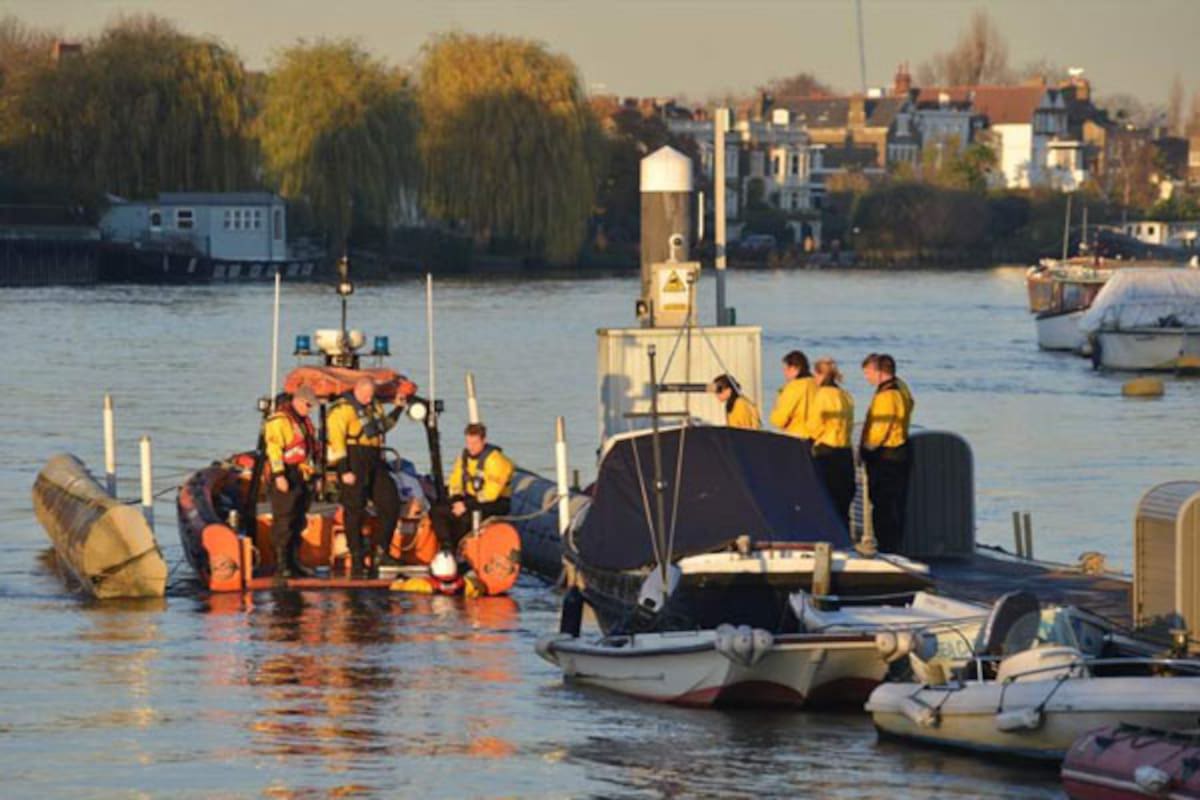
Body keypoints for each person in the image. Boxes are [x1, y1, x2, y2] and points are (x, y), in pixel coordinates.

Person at [327, 377, 405, 578]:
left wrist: (398, 409)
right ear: (357, 390)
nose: (369, 399)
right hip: (353, 457)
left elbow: (382, 426)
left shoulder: (374, 406)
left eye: (372, 395)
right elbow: (337, 442)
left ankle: (381, 551)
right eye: (366, 395)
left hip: (374, 457)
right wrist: (344, 470)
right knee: (354, 509)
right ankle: (357, 557)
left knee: (390, 502)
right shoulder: (342, 410)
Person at [859, 353, 916, 553]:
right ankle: (895, 544)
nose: (867, 377)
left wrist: (866, 449)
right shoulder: (901, 387)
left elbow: (880, 430)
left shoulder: (886, 396)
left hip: (886, 456)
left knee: (883, 504)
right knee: (897, 503)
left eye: (868, 373)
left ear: (879, 372)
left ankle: (887, 547)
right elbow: (911, 403)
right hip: (901, 450)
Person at [431, 423, 515, 553]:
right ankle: (446, 548)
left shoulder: (497, 461)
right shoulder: (463, 458)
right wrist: (456, 500)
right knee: (437, 511)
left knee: (465, 517)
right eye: (468, 443)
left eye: (475, 443)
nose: (471, 447)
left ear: (483, 440)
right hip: (469, 499)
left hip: (494, 503)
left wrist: (466, 505)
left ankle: (464, 550)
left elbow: (490, 494)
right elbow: (455, 482)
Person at [263, 385, 319, 579]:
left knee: (298, 519)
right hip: (285, 472)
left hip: (301, 473)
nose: (310, 410)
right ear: (298, 401)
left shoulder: (303, 421)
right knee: (284, 519)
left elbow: (310, 448)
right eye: (308, 405)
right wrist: (279, 475)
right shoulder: (280, 421)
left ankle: (294, 561)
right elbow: (274, 449)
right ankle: (282, 564)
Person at [810, 358, 855, 530]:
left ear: (820, 375)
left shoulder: (822, 395)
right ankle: (844, 535)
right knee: (843, 501)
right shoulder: (845, 395)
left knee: (826, 499)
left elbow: (814, 426)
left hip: (826, 451)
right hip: (845, 451)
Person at [768, 350, 818, 440]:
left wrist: (779, 397)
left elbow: (779, 420)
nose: (784, 373)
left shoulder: (794, 387)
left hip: (796, 437)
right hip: (816, 437)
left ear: (795, 369)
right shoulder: (816, 384)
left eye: (786, 369)